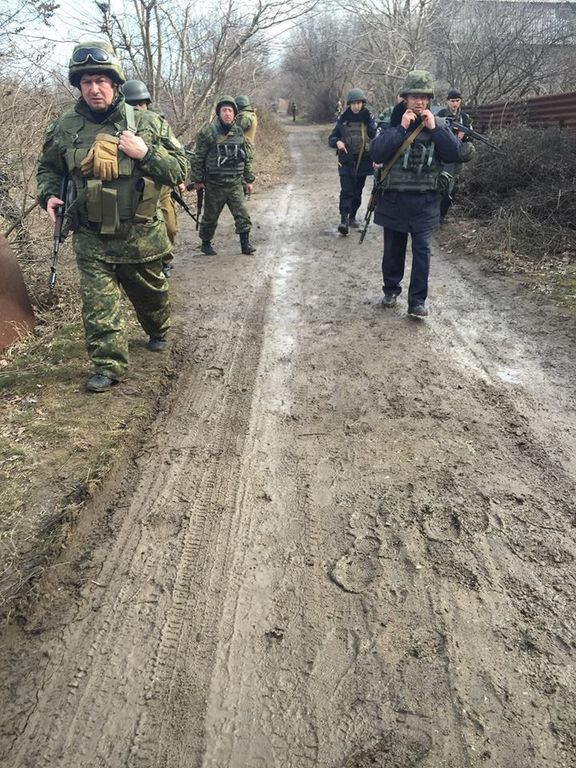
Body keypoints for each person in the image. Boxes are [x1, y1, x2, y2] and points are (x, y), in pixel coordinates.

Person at [36, 41, 189, 392]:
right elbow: (47, 167)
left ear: (115, 84)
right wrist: (49, 195)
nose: (94, 88)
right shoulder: (64, 127)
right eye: (87, 81)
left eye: (101, 81)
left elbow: (180, 170)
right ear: (79, 85)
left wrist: (145, 152)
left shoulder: (149, 123)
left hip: (140, 237)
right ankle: (108, 365)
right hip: (91, 236)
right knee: (98, 304)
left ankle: (157, 328)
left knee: (152, 300)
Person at [369, 70, 465, 318]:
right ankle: (391, 290)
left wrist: (435, 129)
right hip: (395, 200)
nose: (419, 102)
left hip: (425, 201)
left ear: (429, 99)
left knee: (423, 253)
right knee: (393, 251)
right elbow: (377, 153)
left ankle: (417, 302)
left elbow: (455, 154)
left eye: (424, 97)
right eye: (414, 97)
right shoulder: (392, 121)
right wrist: (401, 129)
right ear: (405, 98)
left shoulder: (439, 125)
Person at [121, 79, 182, 278]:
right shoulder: (118, 127)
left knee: (170, 228)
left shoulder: (158, 123)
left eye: (142, 104)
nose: (139, 108)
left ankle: (165, 260)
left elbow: (177, 157)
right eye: (133, 105)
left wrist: (175, 176)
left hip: (161, 188)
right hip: (135, 194)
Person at [189, 96, 256, 256]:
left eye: (230, 110)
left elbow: (244, 158)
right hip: (214, 185)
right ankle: (206, 244)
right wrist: (198, 180)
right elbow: (198, 157)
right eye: (224, 110)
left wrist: (249, 180)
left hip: (235, 184)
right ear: (219, 113)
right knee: (210, 219)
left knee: (242, 216)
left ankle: (245, 244)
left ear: (234, 114)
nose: (227, 114)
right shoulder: (208, 132)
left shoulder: (239, 132)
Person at [328, 87, 377, 235]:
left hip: (363, 161)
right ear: (349, 104)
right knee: (347, 191)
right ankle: (344, 220)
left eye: (359, 103)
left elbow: (375, 138)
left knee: (357, 192)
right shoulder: (343, 120)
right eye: (353, 103)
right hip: (346, 161)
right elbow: (331, 138)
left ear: (363, 103)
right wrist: (337, 143)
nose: (356, 106)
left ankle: (352, 216)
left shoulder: (368, 119)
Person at [436, 88, 474, 222]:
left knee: (452, 189)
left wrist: (464, 137)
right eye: (452, 101)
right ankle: (433, 214)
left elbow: (471, 140)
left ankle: (442, 215)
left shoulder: (465, 118)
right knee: (440, 186)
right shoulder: (440, 114)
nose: (455, 104)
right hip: (441, 159)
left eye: (457, 101)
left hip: (456, 159)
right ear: (447, 101)